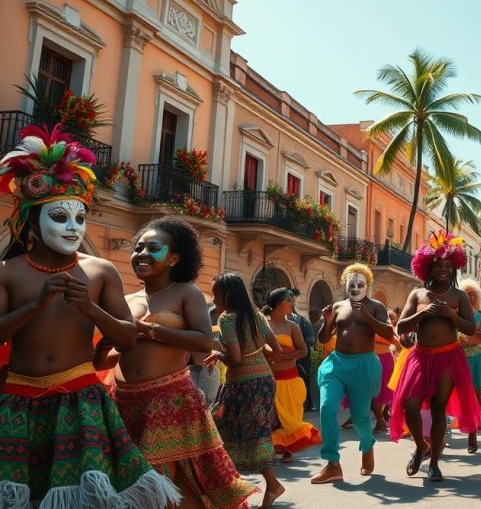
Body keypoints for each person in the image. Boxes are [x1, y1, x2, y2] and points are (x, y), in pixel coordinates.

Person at [0, 125, 180, 507]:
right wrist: (33, 307)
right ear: (33, 221)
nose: (72, 227)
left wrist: (90, 308)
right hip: (17, 397)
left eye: (79, 218)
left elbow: (128, 340)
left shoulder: (100, 272)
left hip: (81, 399)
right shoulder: (8, 272)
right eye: (60, 216)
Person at [99, 217, 255, 508]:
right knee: (133, 484)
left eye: (153, 248)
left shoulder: (187, 292)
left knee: (176, 483)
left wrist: (148, 330)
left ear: (174, 258)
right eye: (138, 248)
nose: (142, 254)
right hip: (123, 402)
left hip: (168, 401)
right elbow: (120, 349)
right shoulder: (127, 298)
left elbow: (202, 341)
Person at [390, 232, 481, 482]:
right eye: (438, 266)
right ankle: (421, 446)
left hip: (448, 358)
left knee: (440, 410)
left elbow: (470, 329)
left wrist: (451, 316)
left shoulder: (459, 296)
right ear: (428, 269)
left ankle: (435, 464)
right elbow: (401, 327)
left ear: (453, 269)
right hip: (420, 358)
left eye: (447, 266)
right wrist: (424, 314)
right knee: (411, 406)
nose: (443, 270)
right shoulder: (417, 295)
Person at [311, 263, 394, 484]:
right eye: (352, 284)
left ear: (368, 285)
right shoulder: (338, 306)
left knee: (359, 418)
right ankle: (332, 464)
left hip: (363, 365)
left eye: (360, 284)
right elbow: (323, 339)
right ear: (345, 284)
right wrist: (326, 322)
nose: (356, 287)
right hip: (337, 365)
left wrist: (367, 316)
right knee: (327, 409)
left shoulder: (376, 307)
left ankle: (367, 447)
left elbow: (388, 332)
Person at [208, 273, 285, 508]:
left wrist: (218, 353)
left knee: (219, 430)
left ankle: (268, 485)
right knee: (250, 432)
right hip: (264, 381)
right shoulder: (257, 315)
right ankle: (233, 485)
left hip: (243, 384)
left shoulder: (227, 319)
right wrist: (257, 355)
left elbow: (235, 359)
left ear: (226, 295)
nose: (214, 298)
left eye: (216, 293)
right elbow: (277, 348)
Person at [266, 288, 321, 462]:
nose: (292, 303)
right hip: (269, 379)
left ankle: (288, 449)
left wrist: (285, 355)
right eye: (289, 300)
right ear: (277, 303)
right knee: (271, 418)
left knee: (290, 419)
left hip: (290, 379)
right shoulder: (263, 324)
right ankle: (274, 447)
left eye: (292, 300)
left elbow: (304, 350)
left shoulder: (293, 326)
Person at [458, 278, 481, 453]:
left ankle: (473, 430)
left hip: (475, 358)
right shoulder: (455, 314)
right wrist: (459, 338)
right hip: (456, 358)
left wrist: (477, 336)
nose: (470, 298)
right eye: (466, 294)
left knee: (475, 393)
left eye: (473, 295)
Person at [288, 305, 316, 412]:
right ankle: (307, 403)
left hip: (300, 358)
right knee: (303, 380)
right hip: (300, 358)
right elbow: (311, 340)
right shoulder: (300, 320)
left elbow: (310, 339)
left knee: (302, 380)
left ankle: (307, 403)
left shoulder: (299, 320)